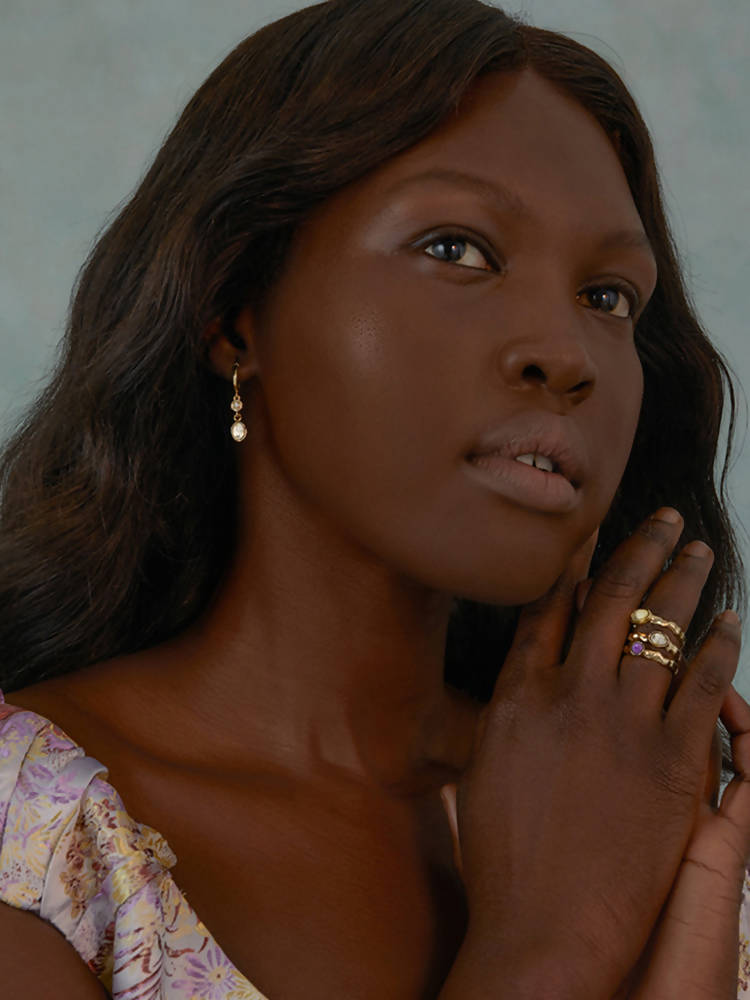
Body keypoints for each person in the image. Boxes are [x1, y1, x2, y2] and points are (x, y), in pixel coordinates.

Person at [0, 0, 748, 996]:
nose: (567, 354)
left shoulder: (662, 809)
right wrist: (551, 944)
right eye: (457, 249)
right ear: (233, 314)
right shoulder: (33, 832)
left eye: (608, 297)